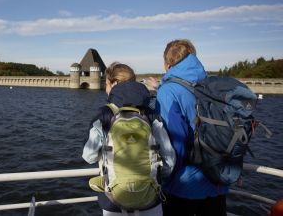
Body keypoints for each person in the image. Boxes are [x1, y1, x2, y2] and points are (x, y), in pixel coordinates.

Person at [82, 62, 174, 216]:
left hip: (113, 201)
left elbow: (89, 156)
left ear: (114, 84)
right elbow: (170, 160)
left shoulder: (104, 114)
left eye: (106, 82)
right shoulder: (150, 114)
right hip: (151, 199)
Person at [150, 39, 228, 216]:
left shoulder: (168, 91)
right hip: (218, 181)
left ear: (166, 64)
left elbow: (174, 142)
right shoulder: (210, 84)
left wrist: (164, 179)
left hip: (185, 186)